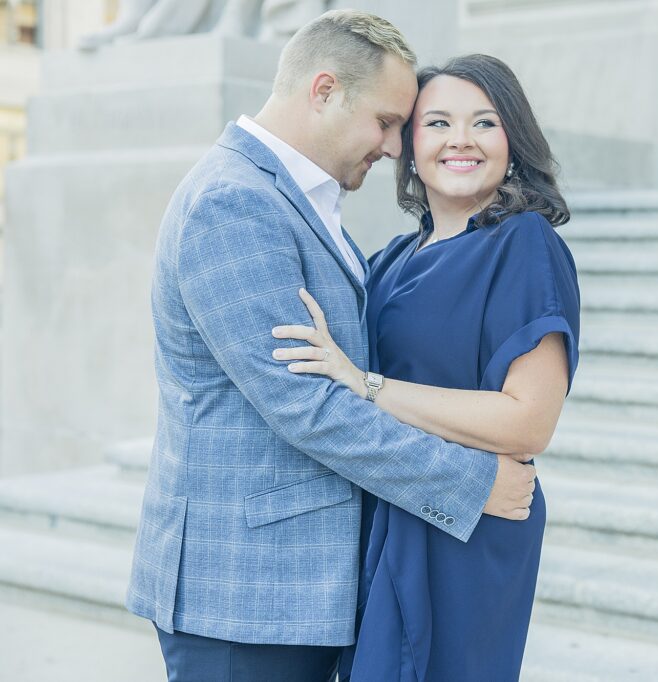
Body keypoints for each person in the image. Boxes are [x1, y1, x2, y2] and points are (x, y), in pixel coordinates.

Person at [125, 12, 538, 682]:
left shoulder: (298, 199)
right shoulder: (235, 203)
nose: (396, 146)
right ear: (323, 90)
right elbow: (304, 406)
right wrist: (471, 480)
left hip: (295, 593)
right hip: (242, 599)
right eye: (385, 121)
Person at [271, 54, 581, 682]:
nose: (460, 140)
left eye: (484, 123)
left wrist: (367, 386)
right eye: (437, 122)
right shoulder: (389, 259)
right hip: (389, 509)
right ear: (408, 144)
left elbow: (528, 423)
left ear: (512, 139)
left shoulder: (523, 244)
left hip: (468, 531)